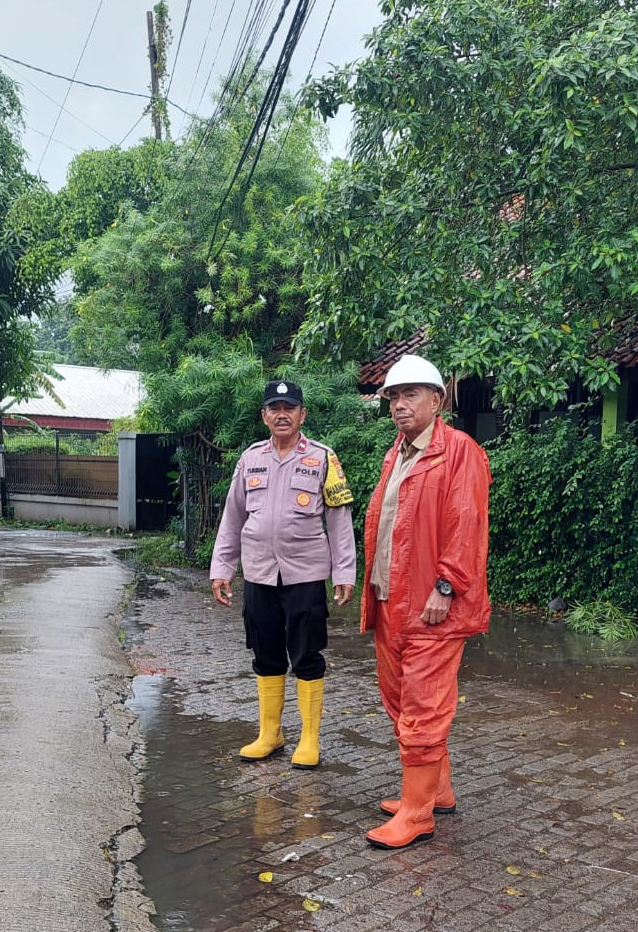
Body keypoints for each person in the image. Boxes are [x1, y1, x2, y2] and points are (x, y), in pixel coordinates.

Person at [361, 353, 491, 849]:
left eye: (410, 393)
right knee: (399, 700)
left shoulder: (459, 451)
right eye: (393, 396)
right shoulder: (397, 454)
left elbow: (466, 523)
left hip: (433, 604)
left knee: (423, 705)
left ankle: (416, 814)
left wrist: (446, 586)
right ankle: (436, 791)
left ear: (437, 400)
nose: (399, 404)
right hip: (391, 599)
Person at [210, 379, 356, 767]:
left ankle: (309, 740)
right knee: (266, 652)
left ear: (302, 414)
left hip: (305, 574)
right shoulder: (250, 459)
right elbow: (232, 518)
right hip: (258, 573)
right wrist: (222, 568)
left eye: (289, 408)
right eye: (274, 408)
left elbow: (340, 521)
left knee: (307, 654)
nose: (282, 414)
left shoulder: (324, 458)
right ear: (264, 416)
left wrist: (344, 572)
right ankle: (270, 734)